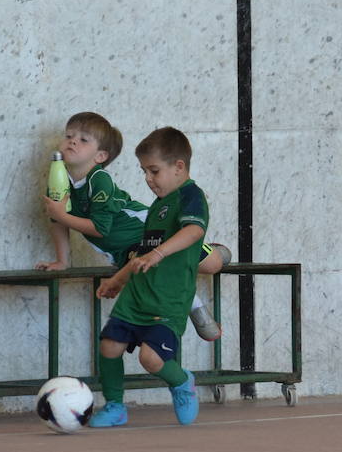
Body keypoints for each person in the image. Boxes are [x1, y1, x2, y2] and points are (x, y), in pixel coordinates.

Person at [33, 111, 231, 341]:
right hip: (123, 250)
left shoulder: (99, 180)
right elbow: (58, 221)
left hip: (150, 231)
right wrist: (62, 261)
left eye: (83, 139)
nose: (73, 141)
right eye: (69, 135)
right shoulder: (57, 179)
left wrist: (62, 216)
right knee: (150, 271)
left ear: (101, 156)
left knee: (212, 265)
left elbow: (100, 228)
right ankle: (197, 310)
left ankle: (215, 252)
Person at [90, 127, 211, 428]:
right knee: (109, 346)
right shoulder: (158, 205)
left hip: (168, 300)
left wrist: (159, 255)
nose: (148, 178)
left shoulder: (191, 197)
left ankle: (182, 382)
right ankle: (115, 406)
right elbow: (144, 251)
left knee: (151, 359)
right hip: (137, 296)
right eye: (144, 171)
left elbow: (194, 231)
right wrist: (118, 280)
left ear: (179, 167)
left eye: (154, 171)